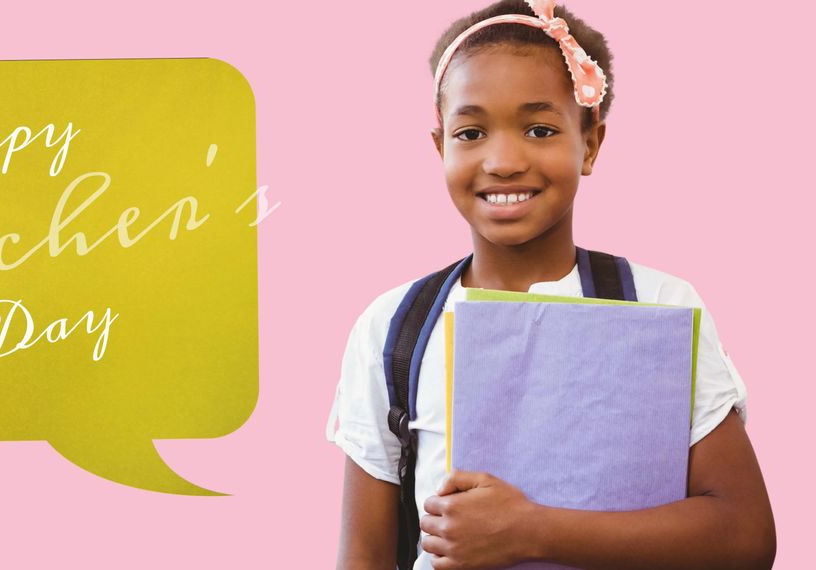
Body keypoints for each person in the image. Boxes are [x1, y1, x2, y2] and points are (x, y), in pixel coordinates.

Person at [325, 1, 776, 568]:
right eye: (471, 132)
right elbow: (362, 556)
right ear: (440, 148)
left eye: (539, 129)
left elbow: (745, 536)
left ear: (589, 144)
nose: (504, 160)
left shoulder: (658, 307)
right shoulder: (393, 328)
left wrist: (530, 531)